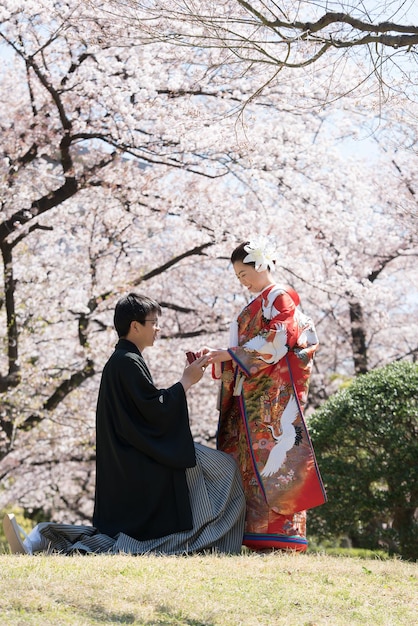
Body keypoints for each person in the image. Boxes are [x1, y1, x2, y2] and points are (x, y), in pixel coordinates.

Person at [3, 293, 245, 555]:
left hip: (133, 454)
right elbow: (154, 411)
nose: (158, 327)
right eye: (153, 322)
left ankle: (41, 538)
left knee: (215, 470)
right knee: (223, 468)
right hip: (140, 457)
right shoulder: (126, 361)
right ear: (135, 326)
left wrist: (184, 383)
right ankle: (207, 543)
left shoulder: (124, 360)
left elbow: (147, 408)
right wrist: (185, 382)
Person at [202, 237, 327, 552]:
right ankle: (254, 533)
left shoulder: (279, 297)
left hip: (271, 396)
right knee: (250, 461)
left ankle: (281, 535)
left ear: (261, 265)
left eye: (244, 274)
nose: (242, 282)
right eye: (238, 277)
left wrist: (230, 355)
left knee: (276, 459)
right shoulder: (259, 302)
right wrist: (223, 357)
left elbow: (279, 341)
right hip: (255, 395)